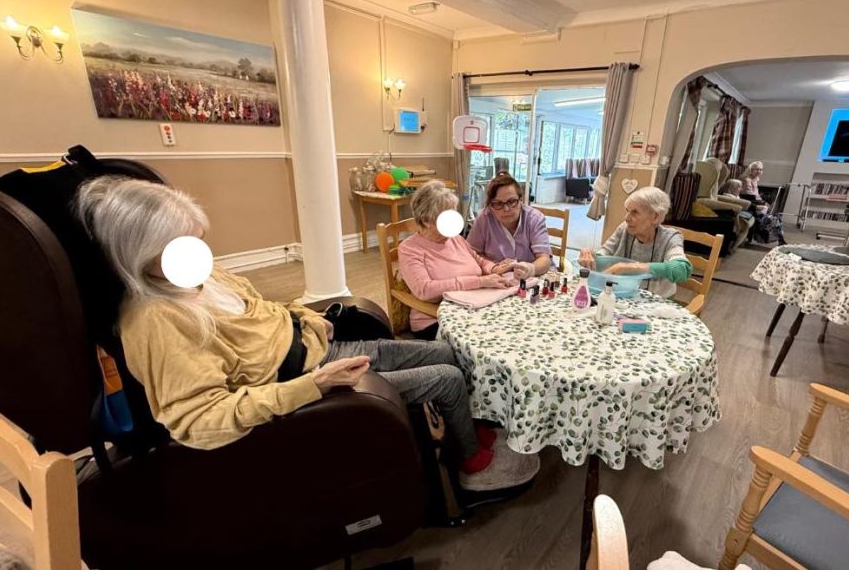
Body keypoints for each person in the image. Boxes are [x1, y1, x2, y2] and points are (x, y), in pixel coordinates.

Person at [75, 176, 537, 491]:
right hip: (310, 383)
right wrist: (311, 385)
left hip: (326, 347)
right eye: (181, 244)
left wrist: (306, 317)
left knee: (445, 352)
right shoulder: (155, 320)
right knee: (450, 376)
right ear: (141, 252)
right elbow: (197, 423)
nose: (197, 253)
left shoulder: (201, 277)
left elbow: (262, 309)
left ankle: (464, 433)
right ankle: (470, 467)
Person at [398, 181, 514, 340]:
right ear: (426, 220)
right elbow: (425, 290)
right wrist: (480, 282)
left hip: (473, 307)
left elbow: (478, 260)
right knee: (493, 338)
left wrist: (493, 269)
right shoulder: (409, 249)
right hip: (435, 319)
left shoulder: (455, 239)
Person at [578, 186, 693, 298]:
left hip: (658, 301)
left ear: (655, 217)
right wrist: (590, 255)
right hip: (623, 295)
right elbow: (604, 253)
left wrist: (630, 267)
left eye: (635, 212)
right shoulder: (624, 229)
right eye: (627, 211)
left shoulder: (671, 237)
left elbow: (682, 269)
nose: (626, 218)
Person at [466, 173, 552, 279]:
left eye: (511, 202)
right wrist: (493, 267)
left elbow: (544, 259)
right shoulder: (483, 219)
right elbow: (471, 254)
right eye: (498, 203)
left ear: (521, 201)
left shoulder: (534, 219)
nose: (506, 209)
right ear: (490, 206)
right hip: (498, 278)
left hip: (534, 278)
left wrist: (530, 268)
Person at [738, 161, 787, 245]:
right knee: (772, 219)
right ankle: (779, 239)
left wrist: (763, 202)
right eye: (757, 169)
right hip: (748, 204)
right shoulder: (746, 180)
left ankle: (780, 239)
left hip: (755, 202)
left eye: (760, 169)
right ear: (751, 169)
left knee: (777, 217)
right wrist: (762, 204)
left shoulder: (755, 179)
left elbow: (756, 195)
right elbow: (749, 196)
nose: (759, 172)